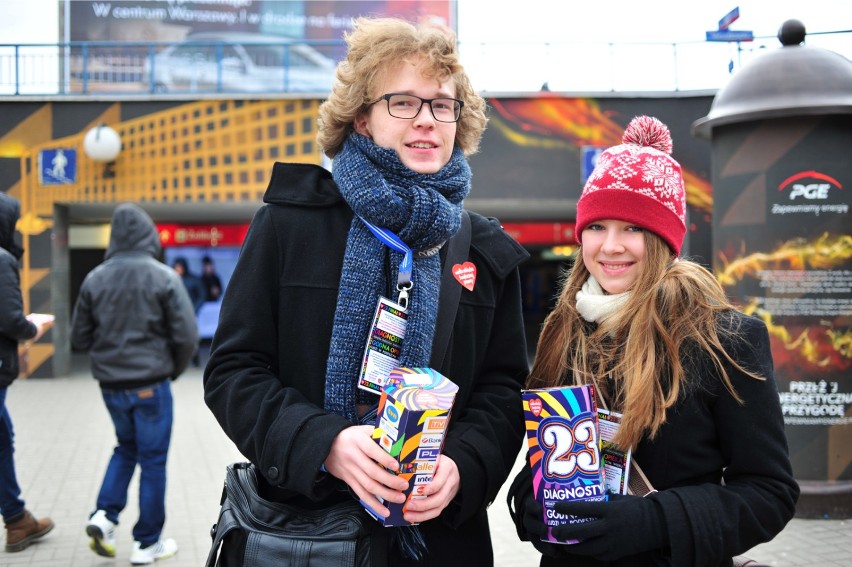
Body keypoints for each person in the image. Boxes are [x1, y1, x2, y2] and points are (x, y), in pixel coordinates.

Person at [203, 17, 530, 566]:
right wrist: (322, 444)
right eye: (403, 102)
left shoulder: (486, 250)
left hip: (438, 539)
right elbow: (234, 370)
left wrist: (463, 466)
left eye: (442, 105)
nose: (427, 121)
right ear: (361, 118)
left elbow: (503, 391)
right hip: (306, 533)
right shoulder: (290, 225)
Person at [507, 116, 799, 566]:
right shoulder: (564, 328)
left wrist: (653, 522)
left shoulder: (726, 339)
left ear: (664, 238)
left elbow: (769, 493)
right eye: (596, 226)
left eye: (633, 228)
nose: (610, 246)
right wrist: (531, 504)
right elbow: (546, 450)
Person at [71, 203, 198, 565]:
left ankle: (104, 516)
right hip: (151, 386)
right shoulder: (163, 277)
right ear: (147, 235)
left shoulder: (94, 278)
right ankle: (147, 543)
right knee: (153, 461)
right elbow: (187, 336)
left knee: (125, 447)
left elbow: (79, 337)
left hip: (111, 387)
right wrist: (170, 371)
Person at [0, 193, 54, 553]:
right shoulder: (2, 260)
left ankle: (17, 519)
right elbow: (9, 320)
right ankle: (17, 521)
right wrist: (33, 327)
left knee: (4, 438)